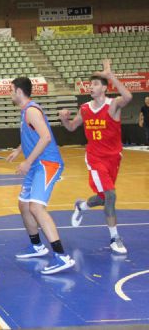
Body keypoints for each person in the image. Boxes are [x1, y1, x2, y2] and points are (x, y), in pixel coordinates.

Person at [59, 59, 133, 254]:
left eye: (95, 84)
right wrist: (64, 119)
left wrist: (111, 76)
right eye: (90, 84)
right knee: (111, 195)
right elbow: (72, 127)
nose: (90, 86)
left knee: (103, 198)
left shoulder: (113, 105)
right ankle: (115, 238)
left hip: (114, 157)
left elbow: (128, 96)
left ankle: (81, 206)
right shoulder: (84, 109)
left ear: (104, 88)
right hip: (95, 158)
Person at [8, 77, 75, 274]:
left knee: (36, 207)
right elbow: (33, 135)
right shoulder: (25, 112)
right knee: (24, 205)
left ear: (19, 91)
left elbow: (45, 137)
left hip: (47, 163)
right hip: (36, 164)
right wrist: (19, 150)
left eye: (11, 90)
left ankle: (62, 256)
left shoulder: (31, 110)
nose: (9, 93)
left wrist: (27, 162)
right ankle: (37, 245)